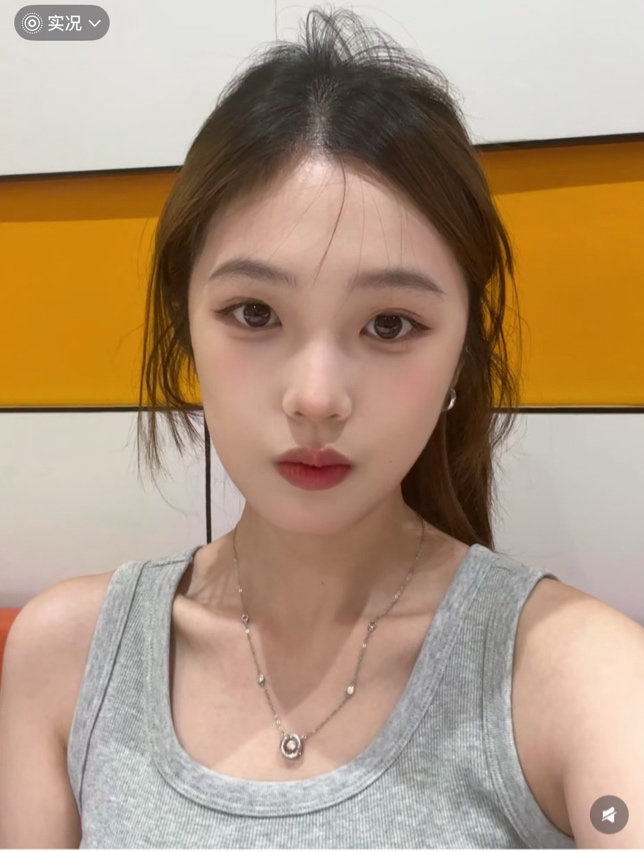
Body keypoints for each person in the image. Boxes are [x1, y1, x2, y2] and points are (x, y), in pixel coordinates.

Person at [2, 6, 643, 849]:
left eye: (390, 325)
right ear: (184, 327)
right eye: (255, 312)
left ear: (462, 355)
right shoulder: (67, 657)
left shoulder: (575, 673)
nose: (315, 398)